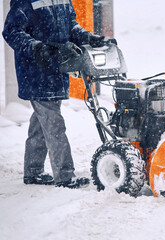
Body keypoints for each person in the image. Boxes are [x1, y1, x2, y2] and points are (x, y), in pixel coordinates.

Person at [2, 0, 115, 188]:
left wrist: (89, 38)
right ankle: (64, 176)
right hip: (36, 72)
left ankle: (33, 171)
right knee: (54, 123)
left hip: (56, 69)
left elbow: (71, 26)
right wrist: (37, 47)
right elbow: (12, 31)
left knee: (42, 122)